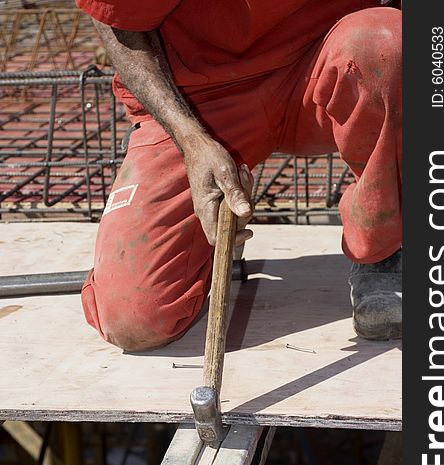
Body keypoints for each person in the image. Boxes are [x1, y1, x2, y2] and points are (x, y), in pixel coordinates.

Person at [76, 0, 402, 352]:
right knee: (136, 320)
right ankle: (185, 205)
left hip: (316, 69)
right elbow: (118, 23)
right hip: (195, 97)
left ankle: (385, 252)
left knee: (388, 44)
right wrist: (190, 140)